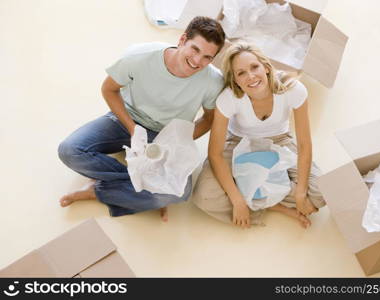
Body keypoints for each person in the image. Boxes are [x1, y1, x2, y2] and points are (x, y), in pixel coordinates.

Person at [58, 16, 226, 221]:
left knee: (179, 192)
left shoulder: (213, 81)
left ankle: (98, 190)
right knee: (70, 150)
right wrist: (131, 127)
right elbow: (109, 89)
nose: (198, 61)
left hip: (163, 135)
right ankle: (144, 193)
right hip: (124, 120)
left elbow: (209, 119)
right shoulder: (140, 56)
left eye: (208, 57)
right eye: (195, 49)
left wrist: (176, 141)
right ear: (182, 39)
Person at [192, 43, 326, 228]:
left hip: (280, 140)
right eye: (241, 73)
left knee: (321, 192)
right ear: (235, 81)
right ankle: (275, 206)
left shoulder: (294, 89)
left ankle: (257, 193)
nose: (251, 76)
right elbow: (215, 154)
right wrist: (238, 201)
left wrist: (301, 193)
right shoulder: (228, 98)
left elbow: (304, 145)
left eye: (254, 67)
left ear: (266, 67)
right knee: (204, 197)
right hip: (238, 143)